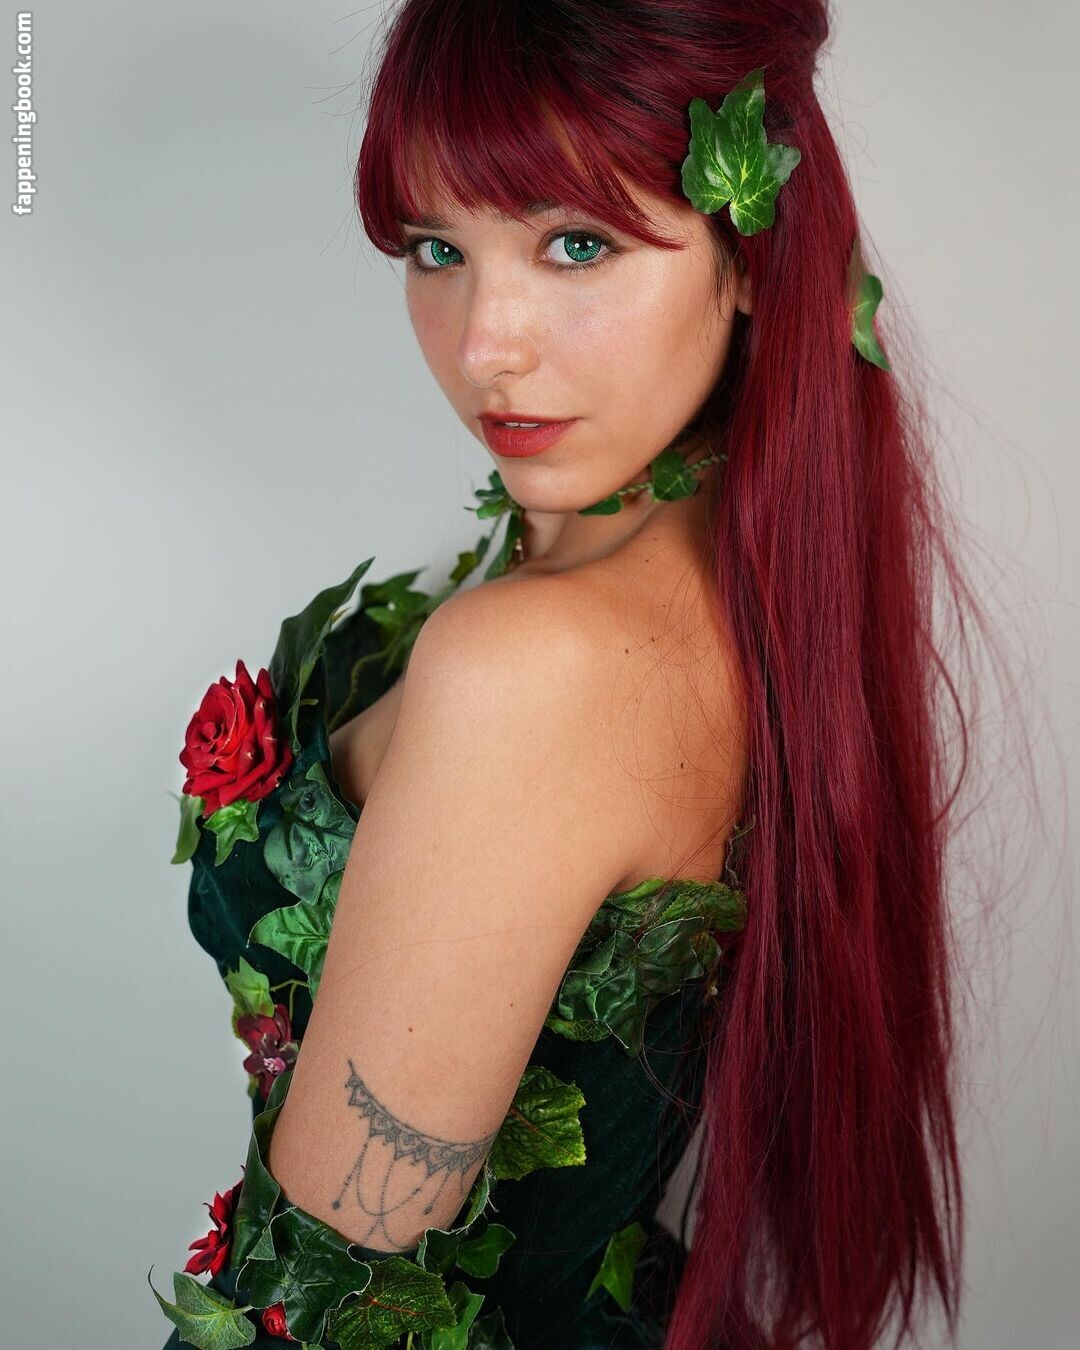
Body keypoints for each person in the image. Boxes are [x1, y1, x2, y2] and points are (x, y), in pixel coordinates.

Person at [153, 3, 981, 1347]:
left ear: (750, 252)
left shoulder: (534, 668)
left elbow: (320, 1312)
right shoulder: (729, 581)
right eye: (437, 248)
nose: (486, 344)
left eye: (576, 243)